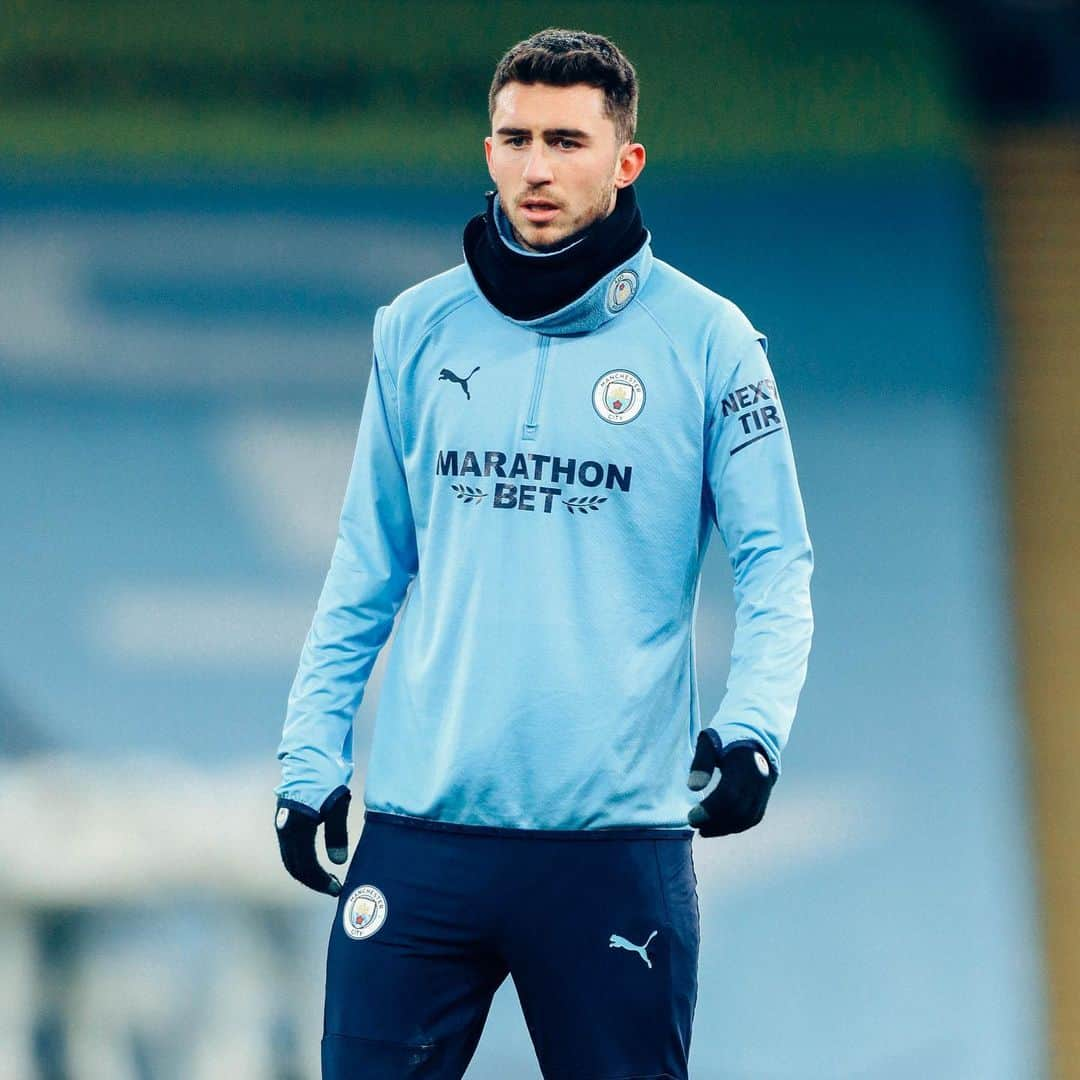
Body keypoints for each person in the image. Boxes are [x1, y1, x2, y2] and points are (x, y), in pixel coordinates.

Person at [274, 27, 813, 1080]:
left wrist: (753, 731)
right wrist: (310, 756)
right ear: (487, 152)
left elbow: (777, 563)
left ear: (626, 161)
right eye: (516, 138)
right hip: (422, 841)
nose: (535, 166)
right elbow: (365, 564)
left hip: (614, 853)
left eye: (566, 140)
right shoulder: (414, 330)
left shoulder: (712, 344)